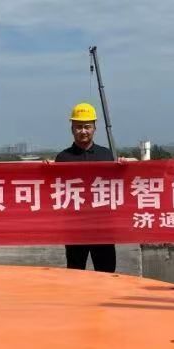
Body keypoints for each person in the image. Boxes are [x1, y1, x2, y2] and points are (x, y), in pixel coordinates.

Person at [54, 103, 117, 273]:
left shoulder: (107, 155)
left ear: (94, 128)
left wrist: (128, 166)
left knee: (106, 273)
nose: (83, 131)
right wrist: (44, 169)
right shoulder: (63, 158)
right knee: (75, 274)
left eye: (87, 127)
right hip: (75, 228)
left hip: (103, 227)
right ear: (72, 129)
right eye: (78, 127)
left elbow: (120, 185)